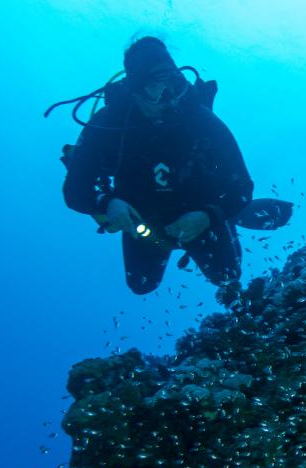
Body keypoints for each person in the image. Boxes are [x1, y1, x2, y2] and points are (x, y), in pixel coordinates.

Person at [61, 37, 256, 295]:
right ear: (135, 88)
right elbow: (74, 190)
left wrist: (210, 215)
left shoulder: (200, 118)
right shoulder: (107, 125)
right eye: (155, 87)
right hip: (142, 220)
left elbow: (242, 185)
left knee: (227, 276)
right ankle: (228, 216)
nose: (168, 98)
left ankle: (233, 217)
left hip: (201, 211)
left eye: (172, 85)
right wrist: (107, 202)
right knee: (142, 285)